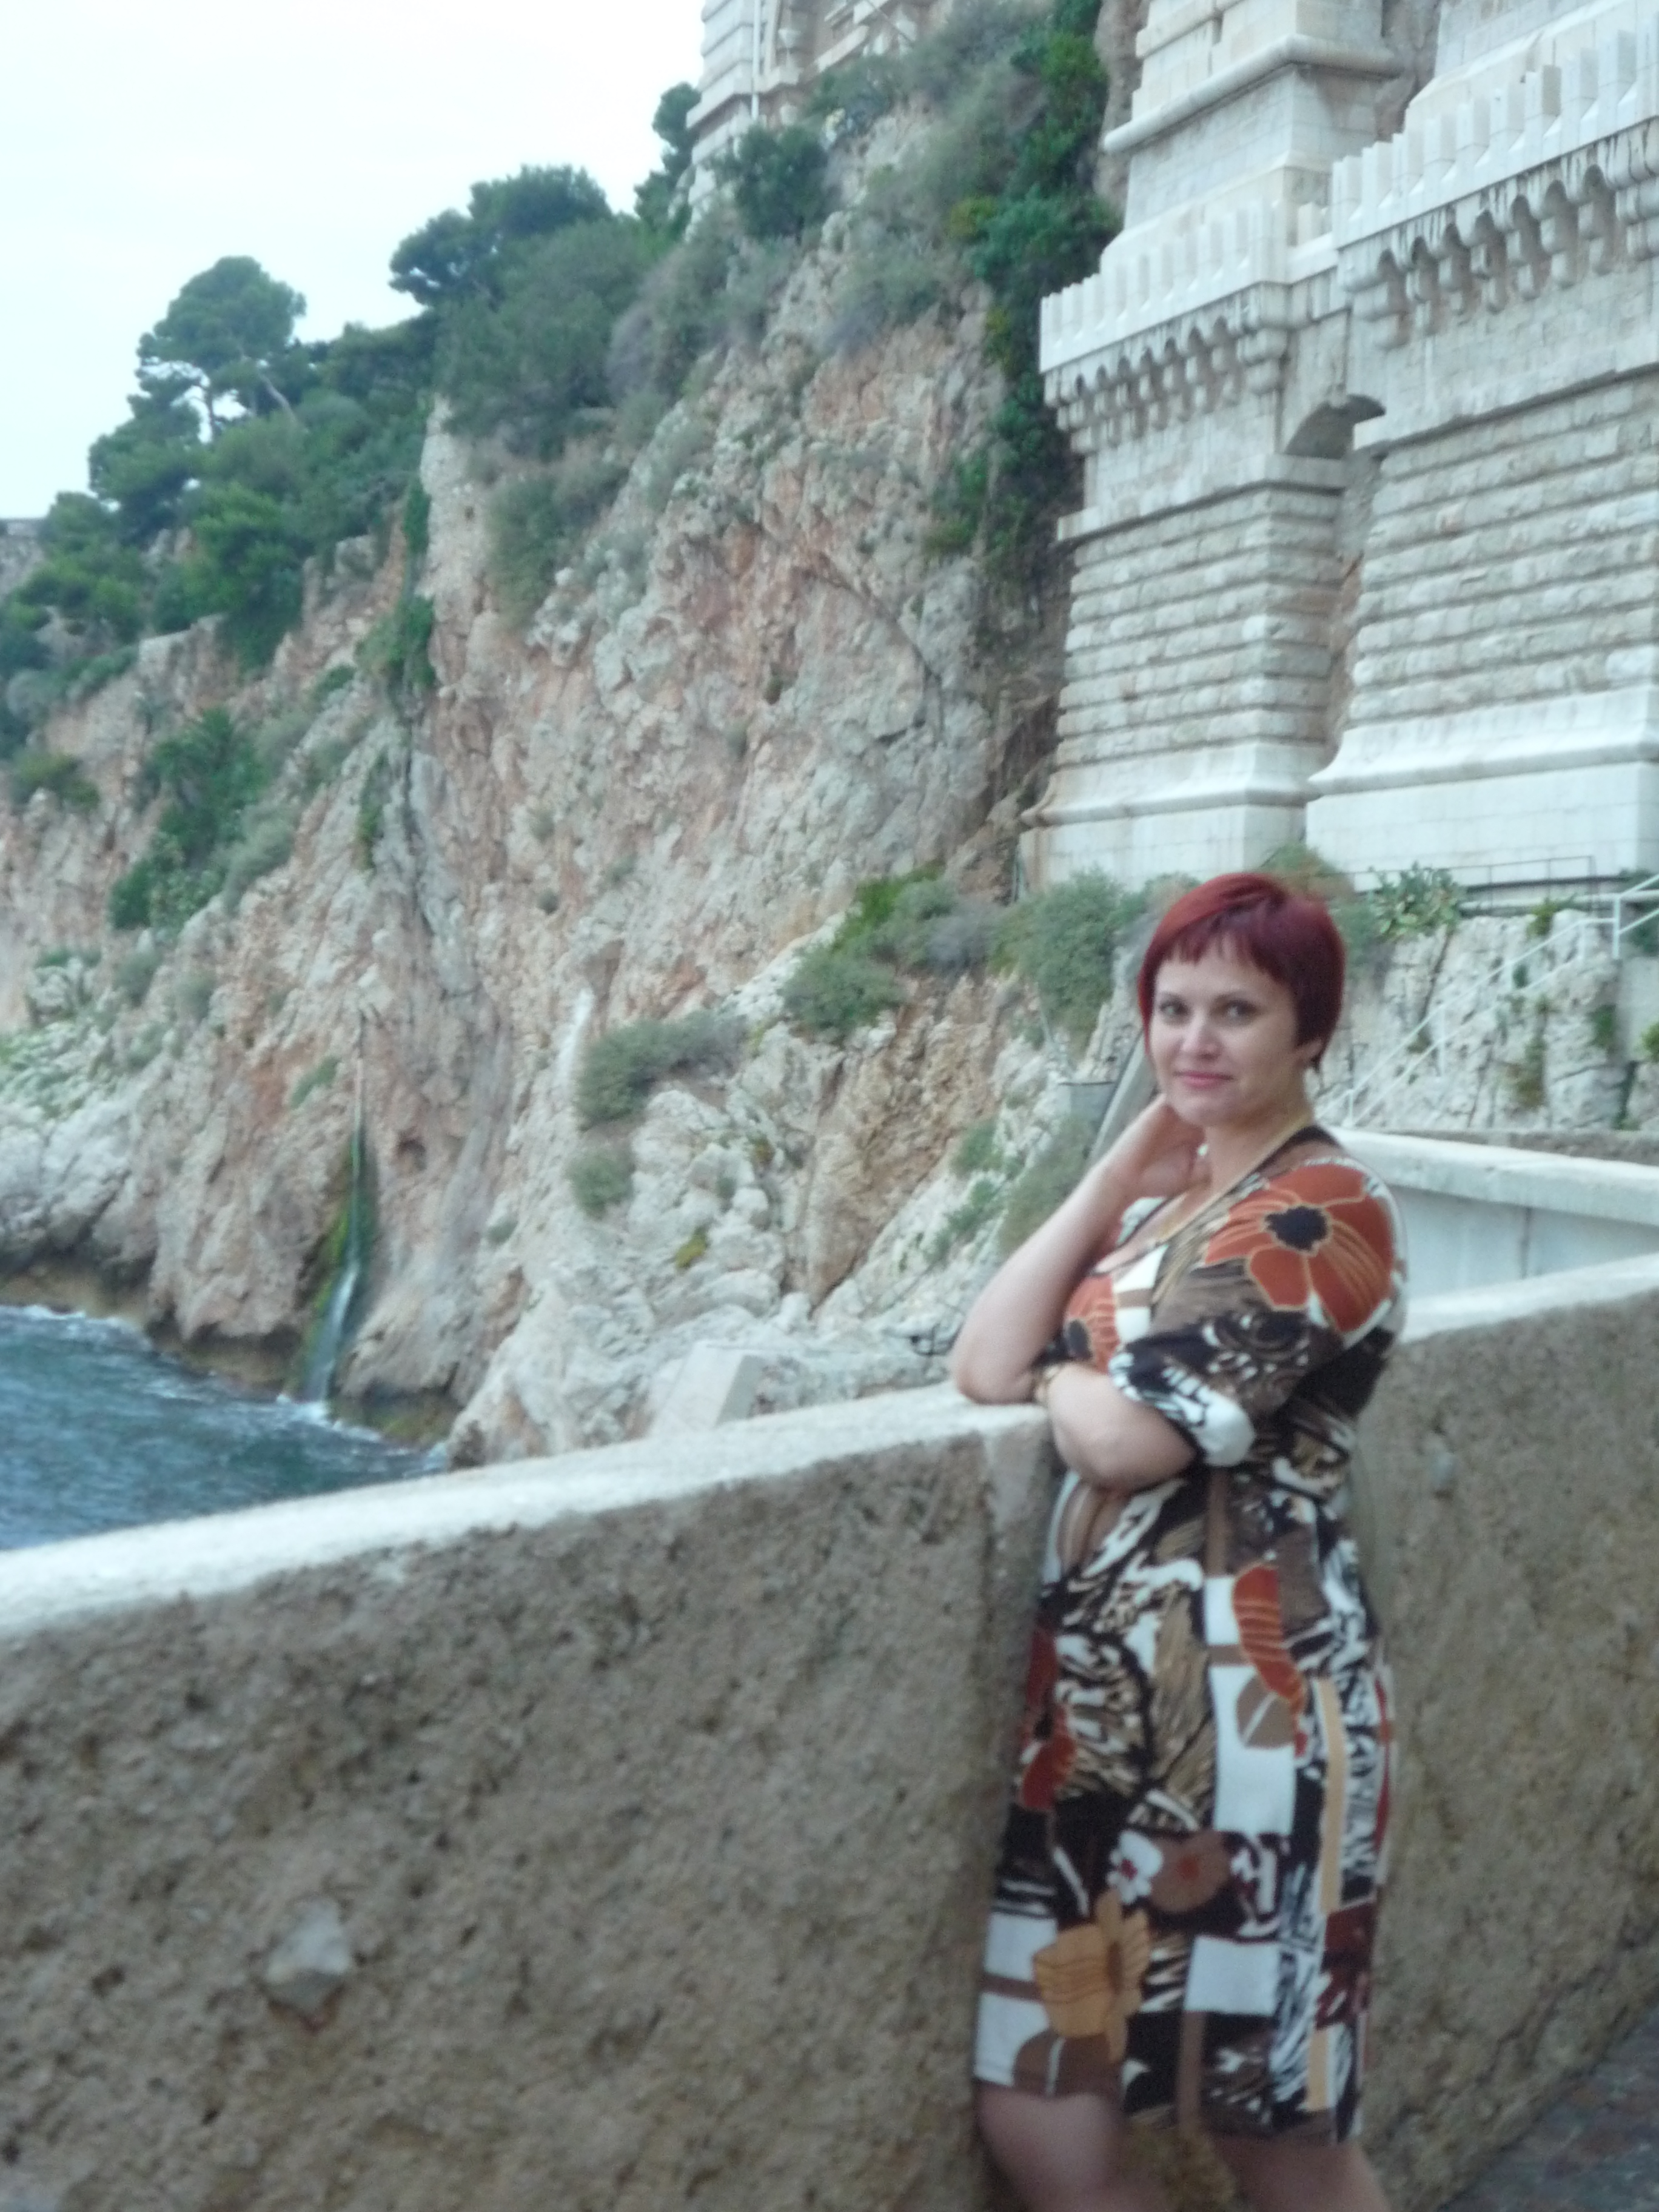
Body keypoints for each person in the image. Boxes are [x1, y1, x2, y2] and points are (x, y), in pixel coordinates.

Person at [951, 873, 1405, 2212]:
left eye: (1238, 1012)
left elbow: (1130, 1443)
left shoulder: (1323, 1210)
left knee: (1270, 2131)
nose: (1196, 1039)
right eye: (1173, 1008)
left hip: (1257, 1716)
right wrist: (1111, 1176)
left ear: (1310, 1031)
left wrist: (1062, 1375)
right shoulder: (1172, 1206)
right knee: (1040, 2099)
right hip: (1097, 1717)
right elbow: (982, 1360)